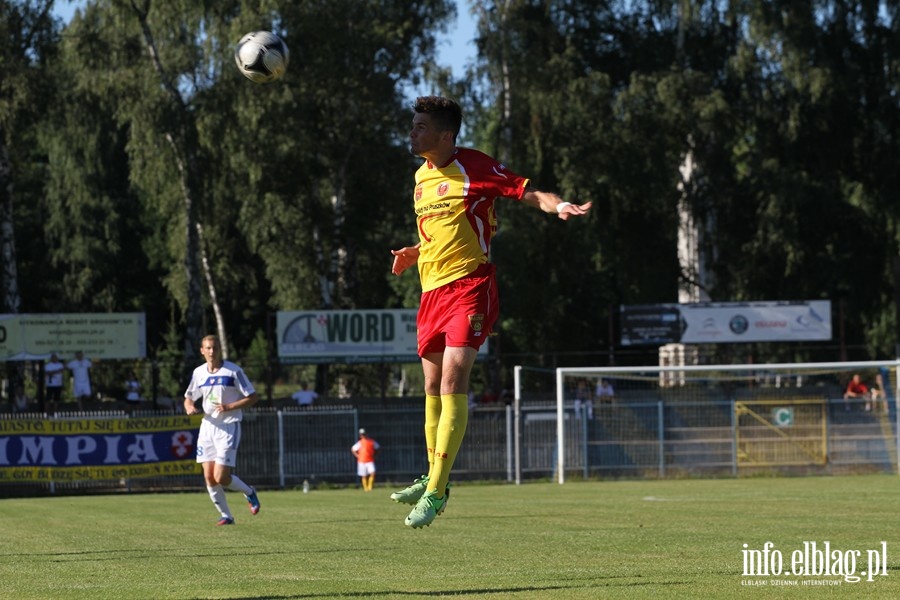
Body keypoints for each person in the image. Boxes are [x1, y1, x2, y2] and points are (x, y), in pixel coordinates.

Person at [389, 96, 592, 528]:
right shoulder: (420, 177)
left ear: (446, 135)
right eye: (413, 125)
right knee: (429, 386)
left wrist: (557, 206)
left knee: (451, 380)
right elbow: (439, 230)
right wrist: (415, 251)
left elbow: (527, 191)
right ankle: (432, 475)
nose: (412, 133)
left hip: (470, 285)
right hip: (430, 291)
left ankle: (437, 491)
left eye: (421, 127)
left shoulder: (473, 166)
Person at [183, 334, 261, 525]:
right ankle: (226, 515)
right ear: (202, 351)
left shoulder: (233, 371)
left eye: (215, 348)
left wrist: (229, 407)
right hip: (208, 426)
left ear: (220, 350)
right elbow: (189, 397)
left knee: (221, 476)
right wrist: (189, 407)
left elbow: (253, 396)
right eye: (208, 348)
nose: (211, 351)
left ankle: (249, 492)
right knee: (209, 477)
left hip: (228, 426)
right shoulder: (199, 373)